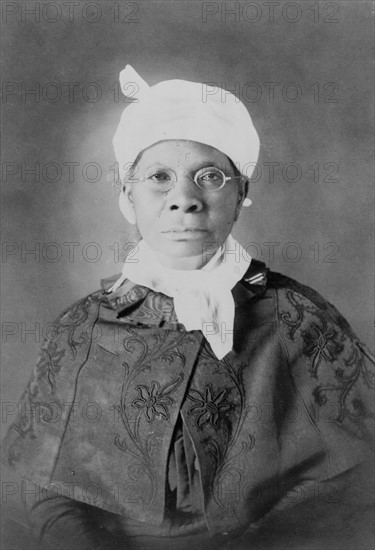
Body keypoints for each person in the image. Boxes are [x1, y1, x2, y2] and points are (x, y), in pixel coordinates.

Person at [2, 66, 374, 550]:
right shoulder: (82, 330)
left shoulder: (298, 320)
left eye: (210, 177)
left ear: (241, 193)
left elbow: (353, 482)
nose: (185, 199)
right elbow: (47, 490)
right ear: (126, 195)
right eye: (159, 177)